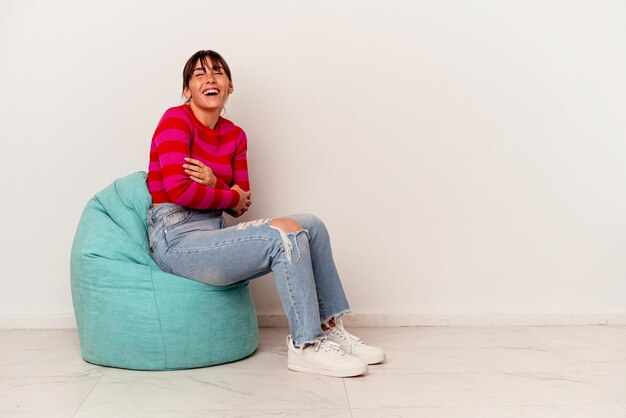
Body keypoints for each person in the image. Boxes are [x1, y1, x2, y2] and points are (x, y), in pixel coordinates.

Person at [146, 50, 385, 377]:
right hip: (177, 239)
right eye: (200, 74)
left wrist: (218, 185)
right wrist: (227, 192)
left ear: (230, 87)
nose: (210, 78)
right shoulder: (176, 119)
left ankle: (330, 328)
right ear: (187, 89)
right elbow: (180, 191)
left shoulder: (235, 136)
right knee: (283, 233)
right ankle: (306, 345)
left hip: (213, 232)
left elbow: (242, 203)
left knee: (311, 225)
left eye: (218, 73)